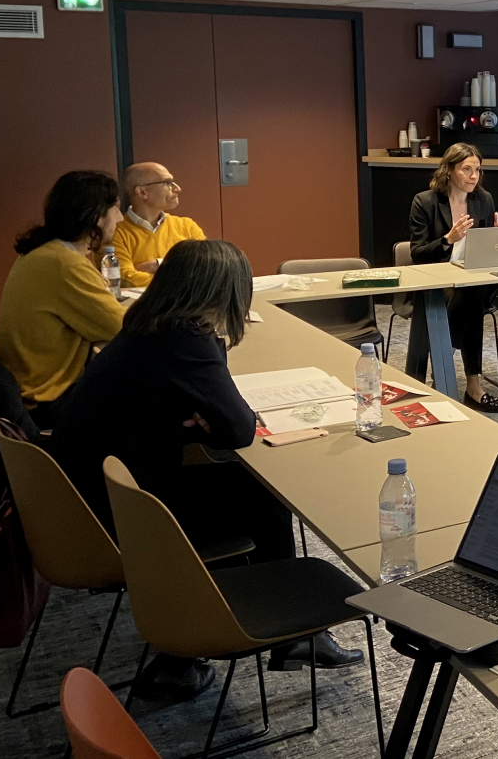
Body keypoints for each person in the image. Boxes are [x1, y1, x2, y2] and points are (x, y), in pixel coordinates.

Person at [51, 239, 363, 701]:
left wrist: (205, 414)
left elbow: (218, 417)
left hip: (88, 497)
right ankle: (275, 634)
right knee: (257, 491)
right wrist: (213, 414)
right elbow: (238, 428)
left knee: (243, 484)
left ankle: (189, 656)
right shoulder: (185, 340)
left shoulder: (147, 325)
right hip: (122, 514)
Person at [0, 170, 127, 428]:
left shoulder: (44, 252)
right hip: (46, 402)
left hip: (27, 391)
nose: (120, 219)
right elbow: (122, 329)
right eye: (116, 209)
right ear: (96, 216)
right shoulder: (65, 265)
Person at [409, 143, 498, 412]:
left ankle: (446, 361)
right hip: (436, 281)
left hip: (474, 279)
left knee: (473, 291)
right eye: (466, 169)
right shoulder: (425, 202)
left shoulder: (483, 200)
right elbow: (418, 254)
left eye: (477, 170)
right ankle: (473, 387)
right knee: (473, 301)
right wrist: (447, 239)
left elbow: (485, 252)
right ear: (449, 171)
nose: (473, 176)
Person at [111, 161, 205, 287]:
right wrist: (182, 274)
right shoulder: (115, 232)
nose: (177, 188)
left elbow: (206, 268)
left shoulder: (187, 226)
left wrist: (158, 264)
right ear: (142, 192)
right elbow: (125, 278)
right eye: (167, 183)